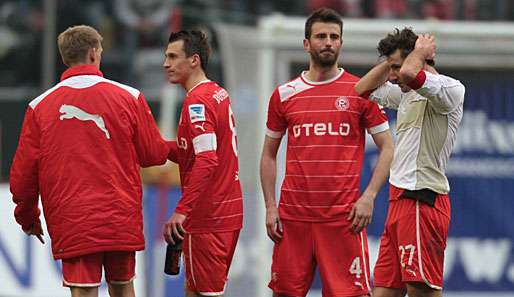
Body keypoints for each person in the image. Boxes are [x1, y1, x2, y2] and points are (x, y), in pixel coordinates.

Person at [10, 25, 173, 297]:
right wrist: (183, 147)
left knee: (83, 289)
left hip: (73, 216)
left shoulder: (39, 106)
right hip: (119, 213)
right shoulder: (129, 97)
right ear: (95, 54)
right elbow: (152, 154)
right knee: (123, 286)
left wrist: (27, 216)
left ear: (64, 58)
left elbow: (23, 174)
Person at [260, 8, 394, 297]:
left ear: (341, 43)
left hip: (342, 219)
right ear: (307, 44)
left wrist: (368, 197)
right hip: (293, 219)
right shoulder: (284, 94)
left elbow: (388, 147)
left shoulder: (360, 90)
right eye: (321, 36)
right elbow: (268, 154)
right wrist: (271, 206)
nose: (328, 42)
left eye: (334, 37)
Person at [354, 28, 465, 297]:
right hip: (398, 201)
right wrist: (391, 61)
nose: (392, 75)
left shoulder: (450, 89)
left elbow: (408, 74)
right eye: (390, 67)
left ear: (420, 58)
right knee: (383, 292)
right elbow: (361, 89)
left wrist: (418, 53)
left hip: (421, 200)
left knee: (422, 292)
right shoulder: (405, 94)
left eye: (396, 66)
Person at [162, 30, 243, 297]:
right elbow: (200, 152)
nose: (166, 63)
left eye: (173, 56)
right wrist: (159, 149)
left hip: (208, 218)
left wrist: (182, 211)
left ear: (194, 60)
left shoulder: (196, 102)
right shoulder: (217, 92)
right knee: (195, 290)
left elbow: (207, 160)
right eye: (166, 56)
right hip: (227, 211)